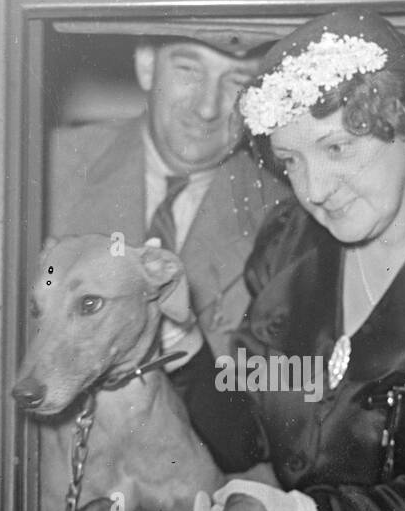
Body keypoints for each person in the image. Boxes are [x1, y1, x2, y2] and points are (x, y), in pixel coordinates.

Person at [175, 8, 405, 511]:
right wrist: (184, 343)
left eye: (336, 148)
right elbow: (247, 437)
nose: (313, 190)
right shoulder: (288, 244)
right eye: (291, 161)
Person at [48, 24, 292, 359]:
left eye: (237, 82)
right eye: (188, 70)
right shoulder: (47, 166)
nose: (207, 108)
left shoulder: (286, 216)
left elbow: (275, 388)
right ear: (147, 66)